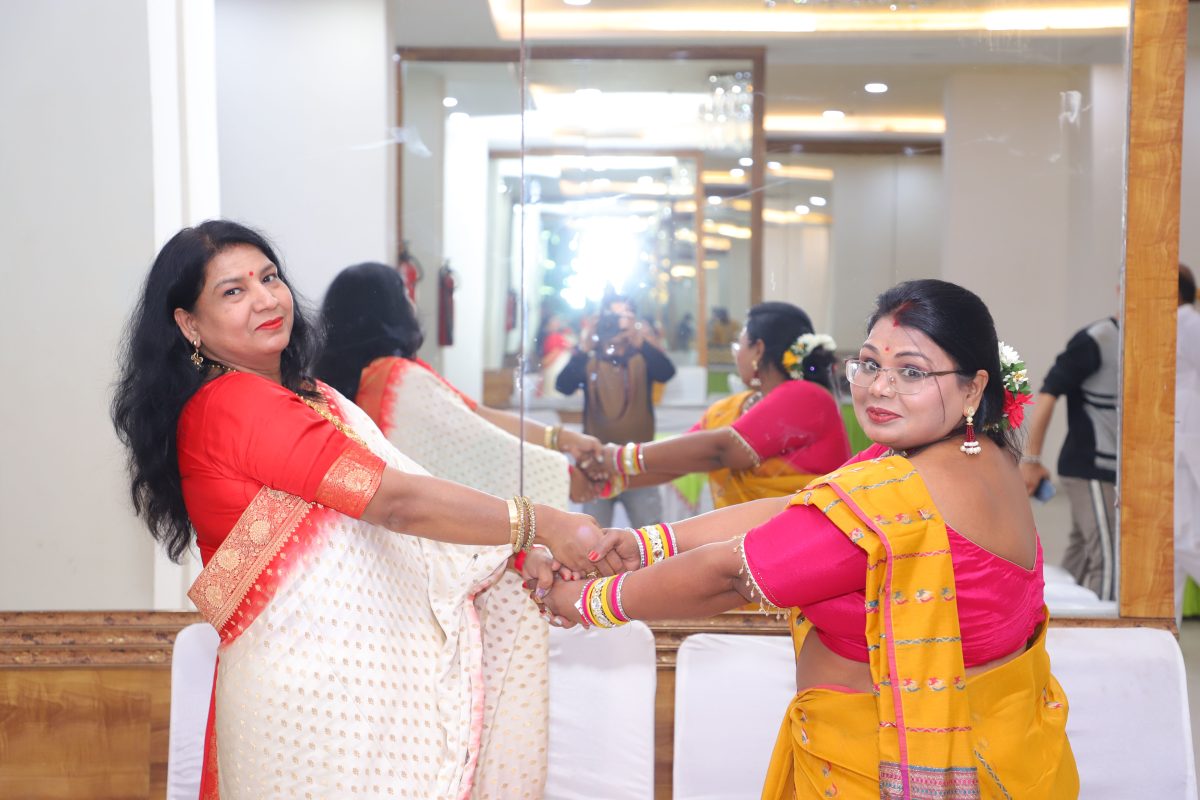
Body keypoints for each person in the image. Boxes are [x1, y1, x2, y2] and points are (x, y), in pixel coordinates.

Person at [110, 221, 614, 798]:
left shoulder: (313, 396)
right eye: (233, 291)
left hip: (355, 691)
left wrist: (516, 553)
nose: (265, 299)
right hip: (311, 709)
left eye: (269, 278)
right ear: (189, 324)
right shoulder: (232, 403)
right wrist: (540, 523)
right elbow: (396, 504)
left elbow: (410, 502)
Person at [543, 279, 1078, 798]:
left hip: (876, 769)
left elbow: (731, 574)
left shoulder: (905, 489)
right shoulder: (979, 458)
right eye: (869, 363)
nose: (879, 387)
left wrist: (584, 601)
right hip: (998, 750)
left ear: (974, 388)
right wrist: (645, 545)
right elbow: (799, 508)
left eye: (911, 371)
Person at [314, 262, 604, 508]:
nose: (412, 302)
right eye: (404, 293)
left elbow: (476, 415)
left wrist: (562, 438)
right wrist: (562, 475)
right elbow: (481, 448)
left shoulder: (332, 387)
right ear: (387, 312)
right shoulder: (400, 379)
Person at [594, 301, 850, 509]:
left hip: (800, 541)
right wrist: (607, 480)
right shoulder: (733, 407)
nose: (736, 353)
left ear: (758, 350)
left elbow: (721, 449)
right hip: (742, 541)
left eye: (739, 344)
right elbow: (683, 460)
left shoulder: (808, 397)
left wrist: (615, 457)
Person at [1019, 311, 1120, 600]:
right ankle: (1105, 628)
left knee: (1084, 552)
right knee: (1109, 559)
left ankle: (1049, 616)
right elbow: (1048, 393)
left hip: (1110, 468)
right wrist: (1031, 460)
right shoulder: (1097, 339)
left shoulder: (1140, 342)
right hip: (1091, 468)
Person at [556, 293, 676, 527]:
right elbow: (563, 386)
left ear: (633, 321)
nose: (616, 324)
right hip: (596, 467)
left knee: (650, 536)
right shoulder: (590, 358)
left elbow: (667, 373)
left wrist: (640, 341)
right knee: (593, 537)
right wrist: (584, 347)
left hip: (639, 465)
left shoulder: (642, 356)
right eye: (611, 317)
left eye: (624, 317)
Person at [1174, 265, 1200, 622]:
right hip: (1173, 440)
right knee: (1173, 547)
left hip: (1185, 440)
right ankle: (1168, 636)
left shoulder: (1190, 324)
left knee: (1183, 539)